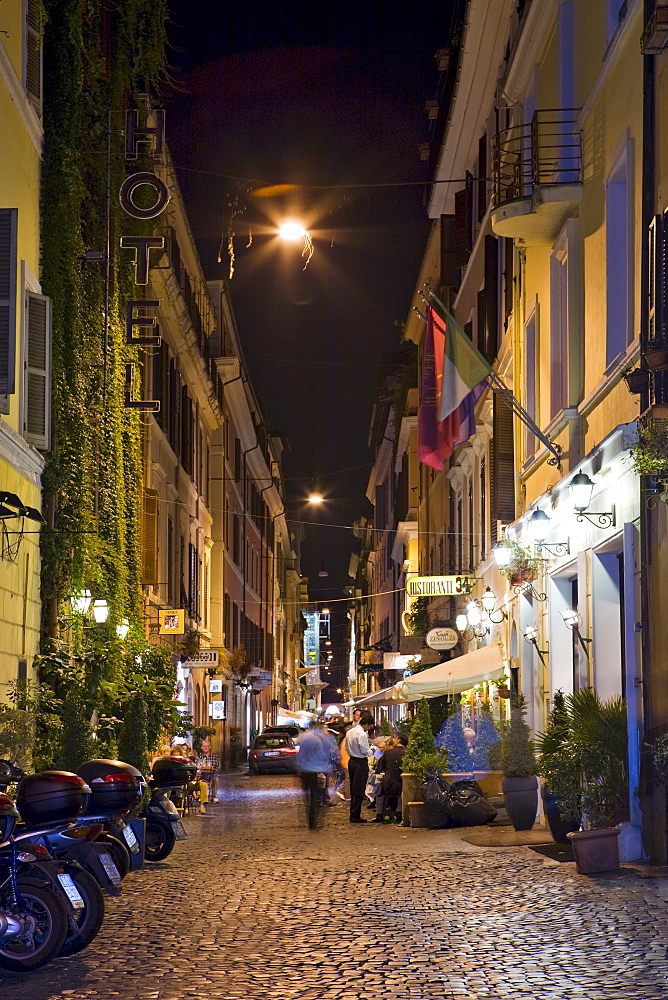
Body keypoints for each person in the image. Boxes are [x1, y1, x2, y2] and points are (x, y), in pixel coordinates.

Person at [297, 720, 340, 826]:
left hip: (306, 770)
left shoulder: (305, 737)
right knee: (318, 790)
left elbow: (300, 753)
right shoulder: (326, 738)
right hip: (319, 769)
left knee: (309, 794)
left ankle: (311, 813)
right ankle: (315, 816)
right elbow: (331, 754)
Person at [344, 712, 375, 823]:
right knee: (359, 789)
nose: (369, 728)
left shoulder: (350, 732)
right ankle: (355, 815)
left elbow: (347, 747)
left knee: (353, 789)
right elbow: (364, 750)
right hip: (360, 762)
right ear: (366, 724)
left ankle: (353, 813)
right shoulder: (361, 734)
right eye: (369, 726)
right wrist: (372, 750)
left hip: (352, 761)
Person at [373, 733, 408, 823]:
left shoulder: (387, 753)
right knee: (402, 792)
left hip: (389, 783)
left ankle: (379, 814)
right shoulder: (408, 753)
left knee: (379, 792)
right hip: (403, 782)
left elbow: (380, 769)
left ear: (399, 740)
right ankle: (400, 813)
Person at [195, 739, 220, 814]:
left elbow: (219, 766)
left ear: (210, 747)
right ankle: (200, 796)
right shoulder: (199, 756)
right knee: (201, 781)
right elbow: (196, 766)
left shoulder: (215, 756)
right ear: (201, 748)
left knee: (215, 779)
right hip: (202, 774)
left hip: (212, 773)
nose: (205, 748)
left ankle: (214, 796)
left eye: (207, 746)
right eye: (204, 746)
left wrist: (213, 769)